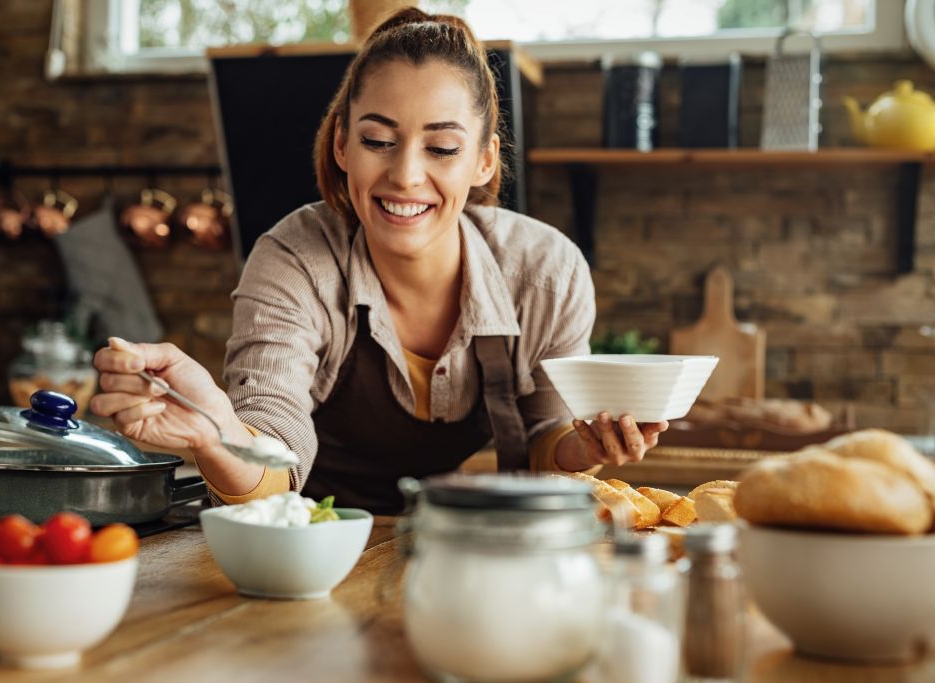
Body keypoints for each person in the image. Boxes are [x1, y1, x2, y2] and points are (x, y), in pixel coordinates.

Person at [91, 7, 668, 514]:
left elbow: (547, 441)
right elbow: (272, 460)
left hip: (464, 539)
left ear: (485, 161)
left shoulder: (546, 273)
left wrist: (585, 447)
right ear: (342, 143)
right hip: (314, 543)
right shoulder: (294, 260)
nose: (406, 175)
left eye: (442, 148)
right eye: (377, 141)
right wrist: (217, 433)